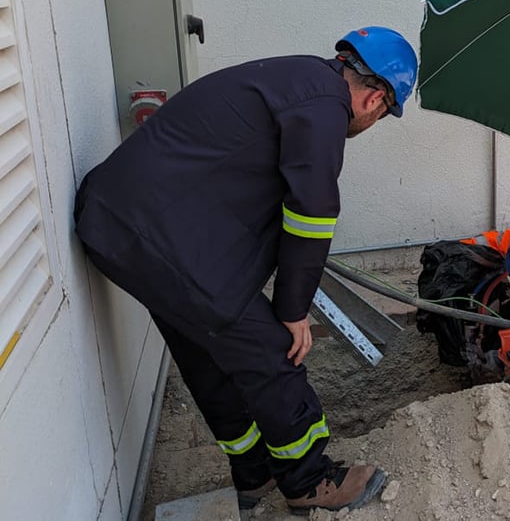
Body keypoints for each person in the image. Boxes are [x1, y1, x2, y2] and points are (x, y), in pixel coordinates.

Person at [73, 26, 417, 514]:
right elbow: (312, 215)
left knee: (205, 351)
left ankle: (256, 473)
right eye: (383, 114)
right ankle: (308, 480)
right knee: (272, 351)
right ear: (376, 99)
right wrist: (292, 310)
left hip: (115, 219)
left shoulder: (299, 81)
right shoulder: (325, 109)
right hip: (152, 232)